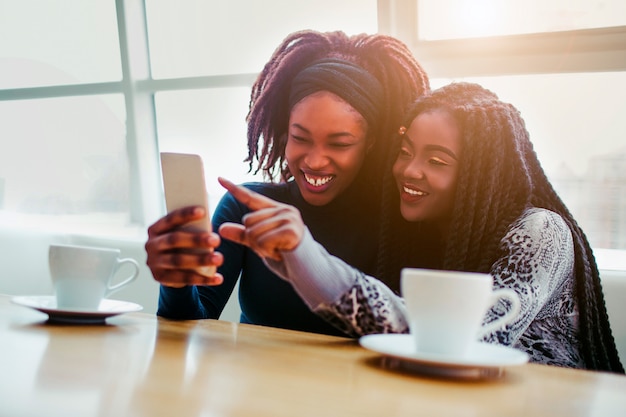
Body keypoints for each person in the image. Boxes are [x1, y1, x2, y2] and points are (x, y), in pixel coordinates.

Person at [218, 82, 624, 372]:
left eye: (437, 161)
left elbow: (462, 343)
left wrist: (310, 259)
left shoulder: (541, 233)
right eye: (406, 152)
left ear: (480, 176)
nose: (409, 171)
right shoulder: (423, 229)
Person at [145, 29, 430, 336]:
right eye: (300, 138)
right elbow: (190, 328)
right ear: (284, 133)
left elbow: (413, 334)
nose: (315, 161)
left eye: (339, 144)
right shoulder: (246, 209)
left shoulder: (397, 224)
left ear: (371, 143)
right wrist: (176, 283)